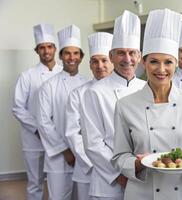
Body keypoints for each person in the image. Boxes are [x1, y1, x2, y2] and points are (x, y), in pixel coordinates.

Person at [112, 8, 182, 200]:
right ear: (143, 62)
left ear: (176, 63)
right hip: (142, 192)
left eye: (168, 62)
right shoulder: (125, 105)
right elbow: (119, 156)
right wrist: (139, 164)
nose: (161, 69)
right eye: (154, 62)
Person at [81, 10, 145, 200]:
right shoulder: (95, 92)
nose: (127, 59)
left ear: (139, 56)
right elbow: (93, 143)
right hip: (109, 183)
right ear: (111, 55)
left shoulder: (147, 88)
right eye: (121, 53)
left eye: (132, 52)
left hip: (145, 177)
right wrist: (120, 175)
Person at [36, 24, 88, 200]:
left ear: (81, 57)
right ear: (61, 56)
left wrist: (80, 151)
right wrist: (65, 150)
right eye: (67, 53)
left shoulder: (89, 85)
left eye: (76, 53)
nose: (71, 57)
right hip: (59, 157)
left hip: (85, 157)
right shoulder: (48, 86)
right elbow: (43, 122)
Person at [12, 23, 62, 200]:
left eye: (49, 47)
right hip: (33, 139)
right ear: (37, 51)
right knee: (35, 183)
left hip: (59, 138)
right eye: (42, 47)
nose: (46, 51)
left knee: (60, 180)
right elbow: (18, 107)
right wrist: (38, 129)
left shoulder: (65, 73)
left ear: (55, 49)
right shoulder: (27, 76)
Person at [65, 32, 114, 200]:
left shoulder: (124, 91)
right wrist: (96, 162)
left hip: (118, 167)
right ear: (90, 65)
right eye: (95, 61)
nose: (100, 65)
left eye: (104, 60)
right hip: (88, 168)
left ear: (112, 61)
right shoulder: (78, 94)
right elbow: (73, 133)